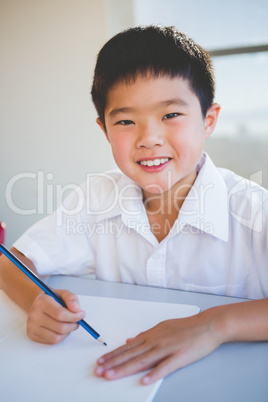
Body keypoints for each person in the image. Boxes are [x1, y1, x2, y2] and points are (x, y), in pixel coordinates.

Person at [0, 25, 267, 386]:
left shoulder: (253, 211)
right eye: (126, 121)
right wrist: (36, 301)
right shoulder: (97, 199)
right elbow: (12, 262)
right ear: (105, 130)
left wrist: (214, 324)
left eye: (170, 115)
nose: (149, 139)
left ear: (209, 119)